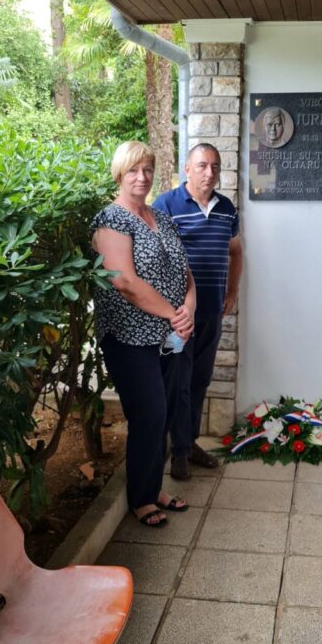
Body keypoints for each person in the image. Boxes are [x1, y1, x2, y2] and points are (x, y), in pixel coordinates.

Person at [91, 141, 196, 525]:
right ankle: (142, 499)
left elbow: (185, 272)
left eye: (148, 169)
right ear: (120, 173)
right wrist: (174, 315)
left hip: (169, 336)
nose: (142, 177)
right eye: (134, 170)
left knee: (164, 412)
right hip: (129, 337)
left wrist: (189, 308)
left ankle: (153, 488)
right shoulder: (111, 220)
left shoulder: (162, 218)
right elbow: (124, 282)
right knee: (149, 413)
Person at [154, 143, 243, 480]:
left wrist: (232, 290)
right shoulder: (166, 205)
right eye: (203, 165)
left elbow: (236, 251)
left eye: (215, 166)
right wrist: (169, 307)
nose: (210, 172)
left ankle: (188, 443)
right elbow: (155, 258)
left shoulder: (226, 209)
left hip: (211, 314)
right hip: (177, 319)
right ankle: (177, 452)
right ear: (187, 169)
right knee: (177, 379)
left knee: (199, 379)